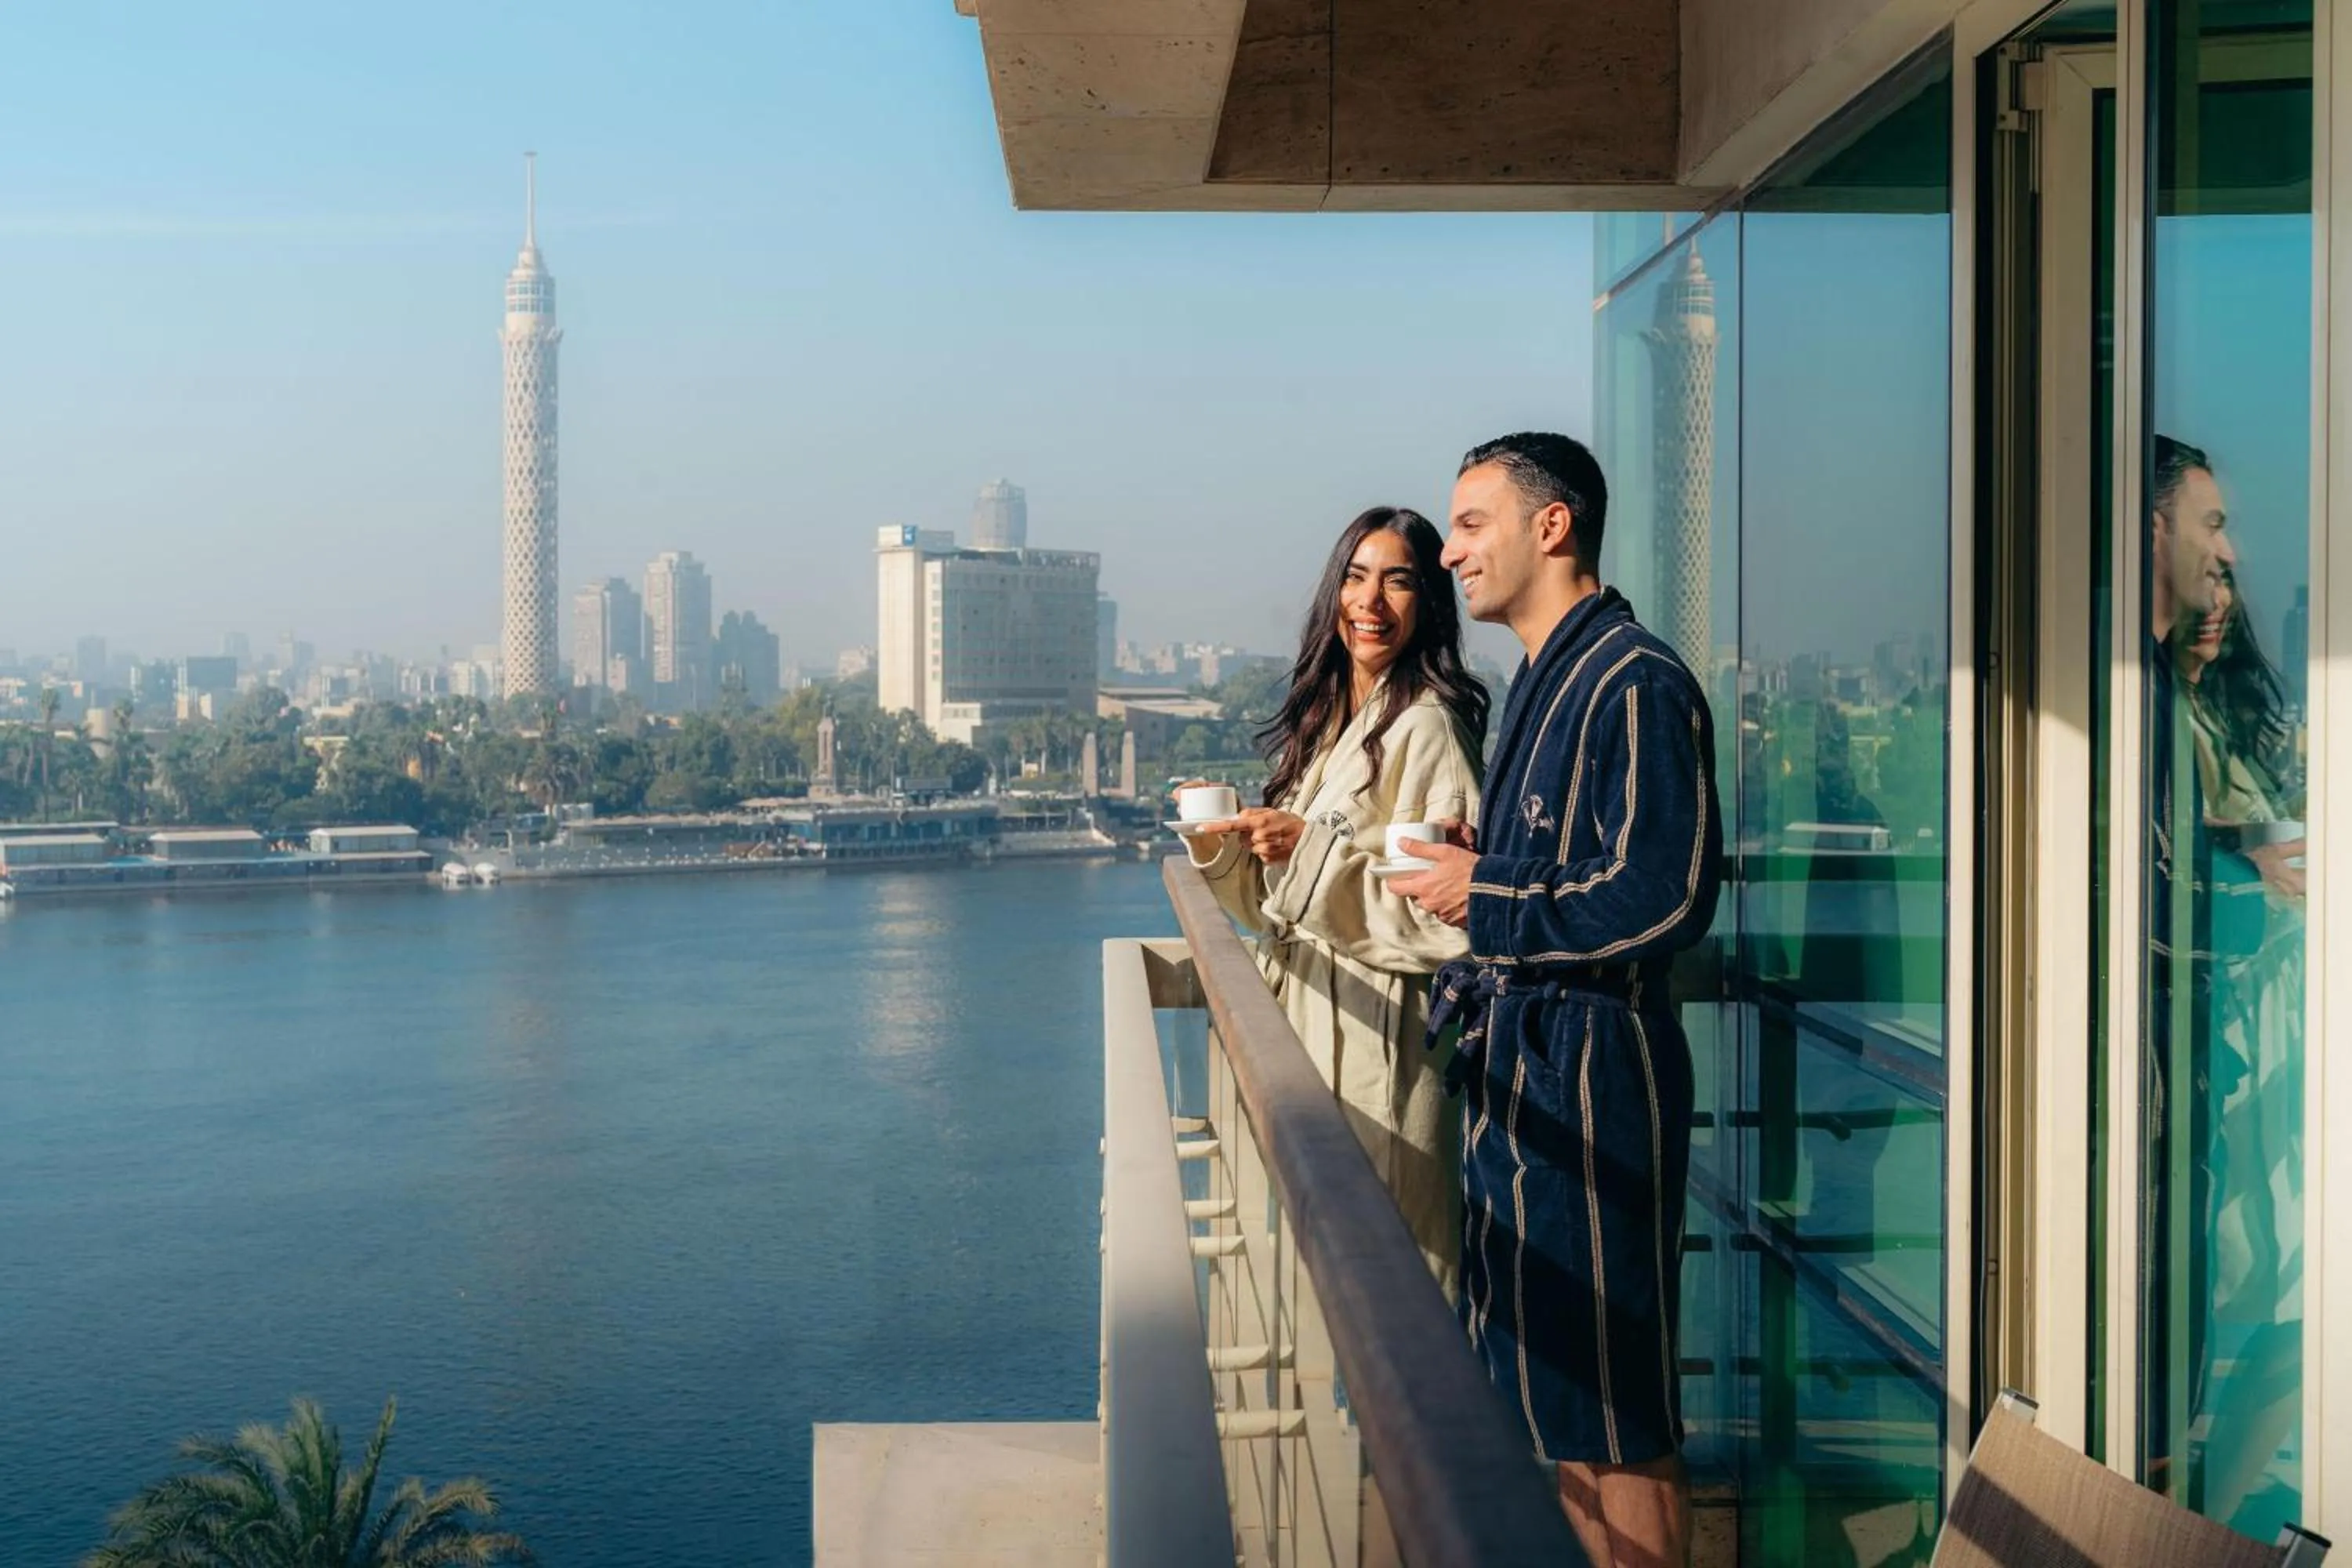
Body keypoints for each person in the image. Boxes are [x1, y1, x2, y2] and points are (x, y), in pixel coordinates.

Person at [1392, 432, 1721, 1568]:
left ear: (1552, 525)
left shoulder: (1635, 681)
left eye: (1470, 524)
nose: (1449, 554)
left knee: (1615, 1412)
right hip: (1526, 1065)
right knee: (1559, 1405)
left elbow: (1663, 892)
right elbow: (1574, 861)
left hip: (1593, 1075)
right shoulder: (1539, 679)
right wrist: (1485, 854)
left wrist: (1486, 891)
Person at [1184, 505, 1490, 1292]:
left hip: (1381, 1054)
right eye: (1356, 577)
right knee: (1327, 1284)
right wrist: (1227, 848)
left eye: (1398, 581)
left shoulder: (1428, 730)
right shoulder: (1330, 726)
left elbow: (1448, 924)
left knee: (1393, 1289)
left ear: (1428, 603)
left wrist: (1309, 851)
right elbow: (1282, 909)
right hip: (1310, 1040)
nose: (1370, 601)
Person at [2173, 564, 2306, 1530]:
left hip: (2288, 1017)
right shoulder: (2155, 724)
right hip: (2236, 1027)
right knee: (2281, 1287)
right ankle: (2197, 1519)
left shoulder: (2226, 717)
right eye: (2204, 562)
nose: (2218, 599)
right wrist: (2239, 858)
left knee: (2297, 1291)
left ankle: (2198, 1516)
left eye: (2227, 576)